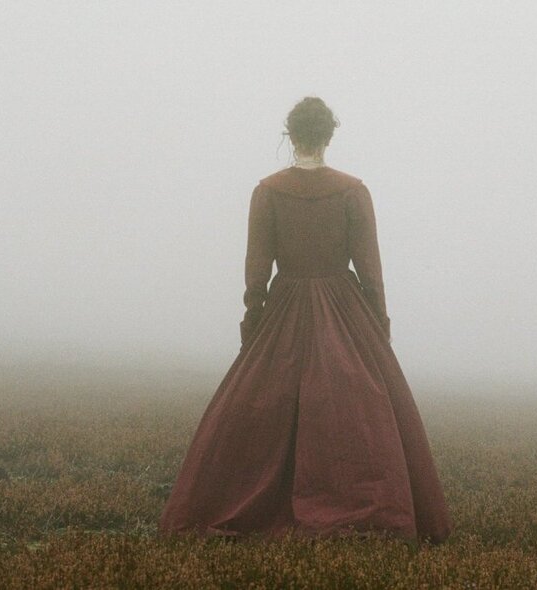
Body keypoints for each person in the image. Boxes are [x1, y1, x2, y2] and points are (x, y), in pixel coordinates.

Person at [158, 97, 453, 545]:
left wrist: (251, 325)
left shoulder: (268, 191)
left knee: (258, 409)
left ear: (291, 137)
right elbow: (370, 269)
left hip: (284, 311)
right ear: (328, 136)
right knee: (356, 413)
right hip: (344, 313)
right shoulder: (353, 191)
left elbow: (257, 273)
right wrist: (379, 326)